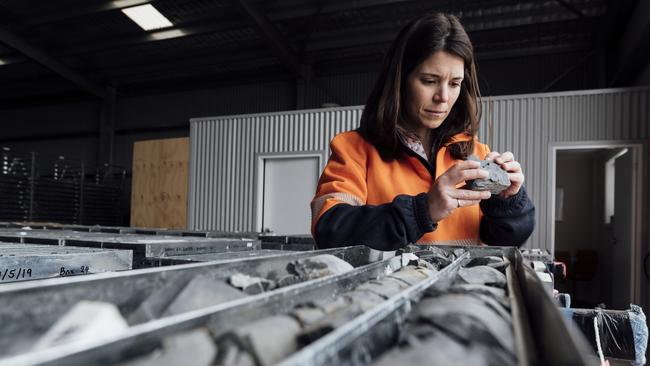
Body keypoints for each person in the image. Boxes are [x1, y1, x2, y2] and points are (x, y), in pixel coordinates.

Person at [310, 12, 535, 251]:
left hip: (464, 289)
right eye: (429, 80)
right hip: (390, 289)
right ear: (399, 80)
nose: (443, 98)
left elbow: (506, 243)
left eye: (454, 83)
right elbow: (329, 231)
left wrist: (507, 202)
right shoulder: (353, 149)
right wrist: (422, 211)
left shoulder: (476, 152)